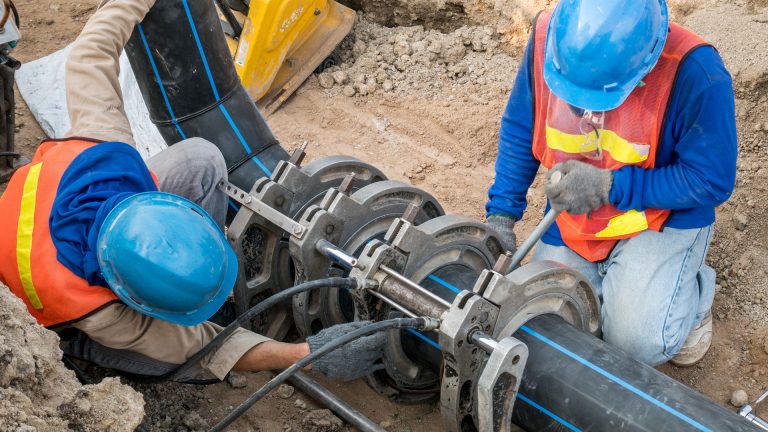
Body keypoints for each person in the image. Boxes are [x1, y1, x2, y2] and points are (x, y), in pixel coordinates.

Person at [0, 0, 383, 383]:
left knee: (199, 160)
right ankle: (84, 353)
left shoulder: (101, 147)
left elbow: (91, 52)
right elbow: (206, 347)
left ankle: (198, 289)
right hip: (61, 315)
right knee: (179, 365)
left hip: (57, 231)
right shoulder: (102, 314)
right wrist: (307, 355)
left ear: (153, 205)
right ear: (129, 299)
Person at [486, 0, 737, 367]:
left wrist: (609, 186)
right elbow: (523, 127)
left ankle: (694, 298)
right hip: (578, 214)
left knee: (636, 344)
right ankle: (629, 287)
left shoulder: (696, 73)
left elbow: (710, 180)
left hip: (659, 216)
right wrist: (501, 215)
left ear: (646, 61)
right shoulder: (548, 41)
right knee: (546, 318)